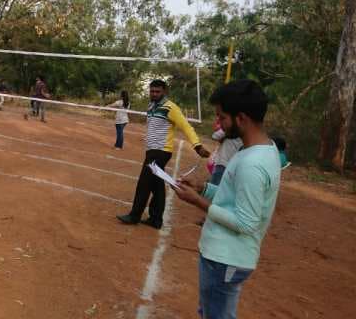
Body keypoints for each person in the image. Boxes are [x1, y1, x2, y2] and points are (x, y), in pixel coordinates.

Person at [174, 79, 281, 319]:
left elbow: (246, 222)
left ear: (241, 118)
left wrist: (197, 201)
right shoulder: (258, 149)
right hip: (223, 255)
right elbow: (232, 197)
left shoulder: (252, 163)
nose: (219, 124)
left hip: (226, 258)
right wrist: (203, 188)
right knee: (210, 311)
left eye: (222, 117)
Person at [117, 79, 210, 229]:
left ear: (164, 91)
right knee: (156, 185)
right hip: (152, 150)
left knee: (144, 183)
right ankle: (156, 219)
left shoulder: (170, 107)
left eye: (157, 91)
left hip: (161, 151)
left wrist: (197, 146)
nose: (154, 94)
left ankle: (134, 216)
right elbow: (154, 127)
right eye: (152, 91)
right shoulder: (151, 106)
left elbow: (186, 126)